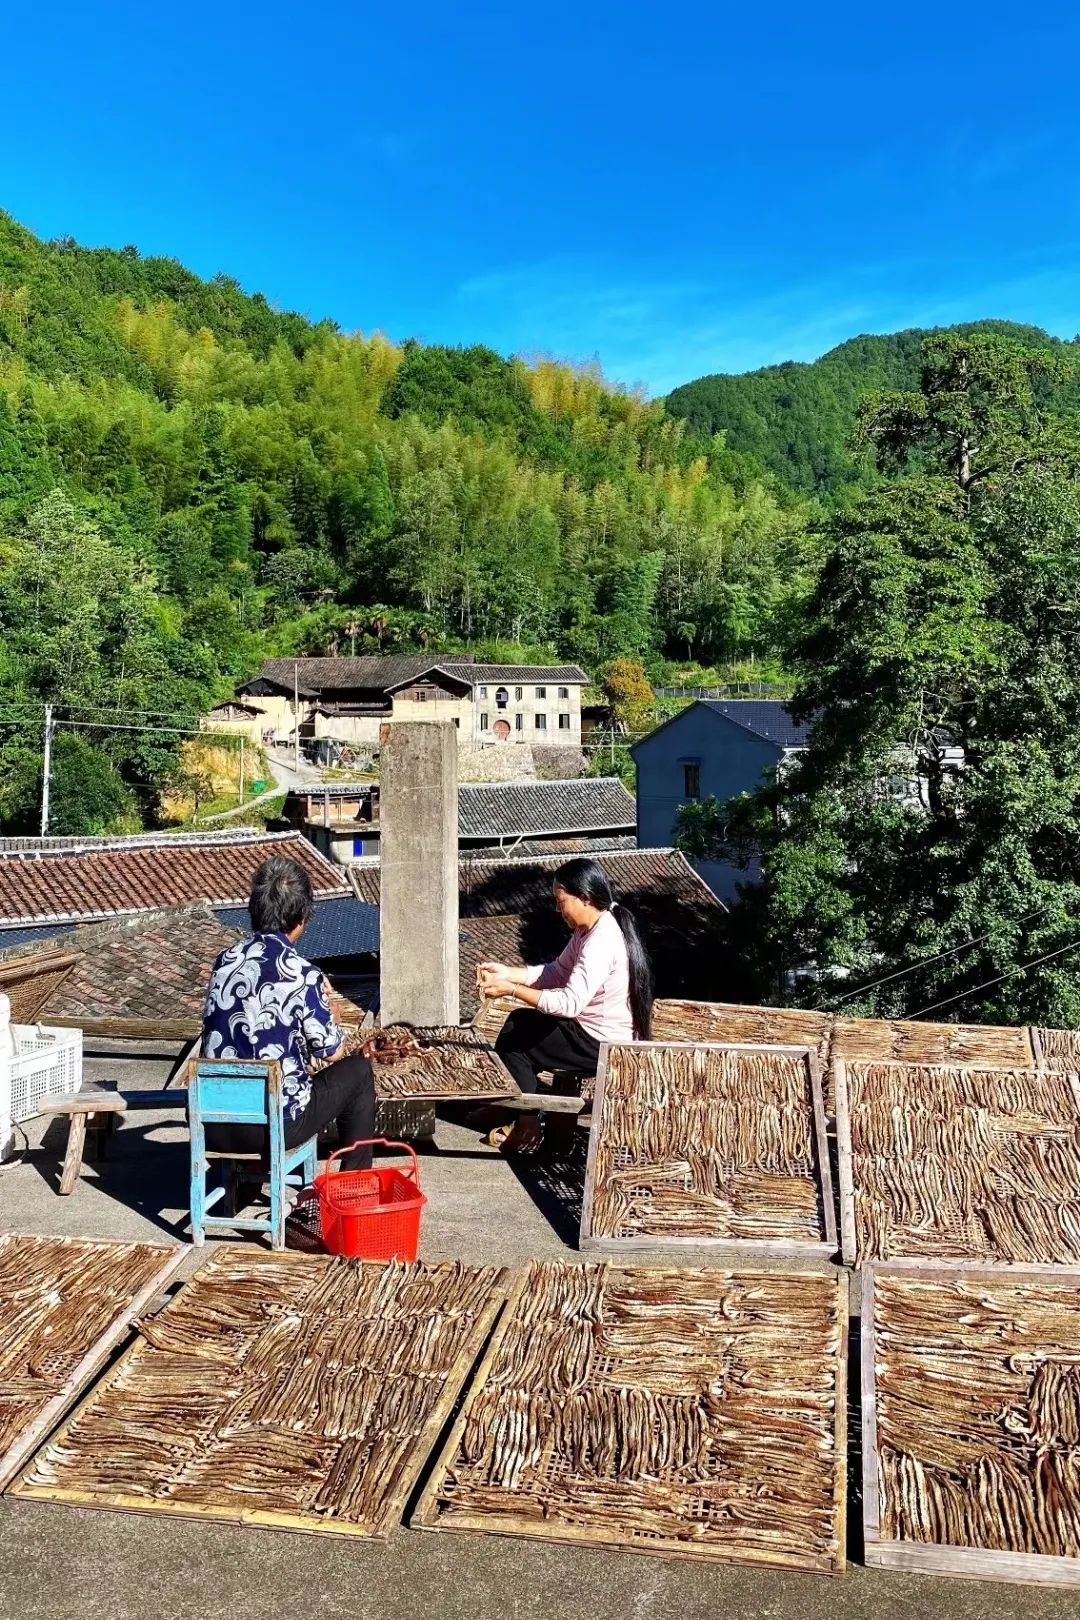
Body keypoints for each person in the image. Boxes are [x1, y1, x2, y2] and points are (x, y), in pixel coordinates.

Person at [201, 855, 376, 1171]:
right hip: (274, 1125)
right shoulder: (302, 974)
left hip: (213, 1122)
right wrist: (332, 1017)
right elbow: (332, 1052)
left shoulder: (223, 962)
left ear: (254, 911)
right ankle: (354, 1183)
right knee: (359, 1071)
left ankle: (240, 1184)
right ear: (302, 918)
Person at [478, 857, 653, 1151]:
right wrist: (508, 972)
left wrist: (512, 989)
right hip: (589, 1031)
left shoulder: (601, 942)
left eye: (561, 902)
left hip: (601, 1042)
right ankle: (514, 1110)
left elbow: (569, 1004)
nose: (559, 911)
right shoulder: (590, 928)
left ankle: (527, 1124)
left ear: (585, 898)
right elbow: (557, 972)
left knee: (515, 1038)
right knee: (521, 1026)